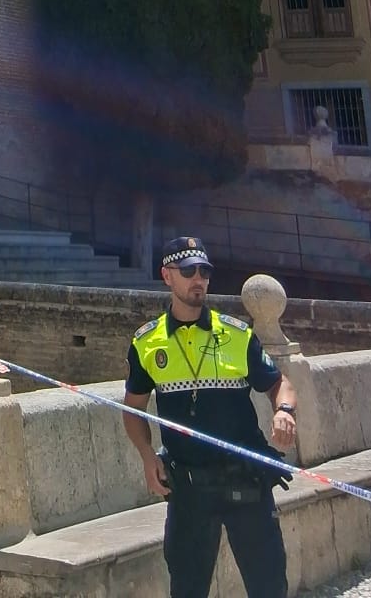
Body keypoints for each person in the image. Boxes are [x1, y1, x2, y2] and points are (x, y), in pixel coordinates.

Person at [123, 234, 298, 598]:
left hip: (247, 482)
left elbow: (280, 384)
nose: (198, 278)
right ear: (167, 276)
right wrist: (146, 455)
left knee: (269, 587)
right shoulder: (146, 342)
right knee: (187, 589)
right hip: (188, 488)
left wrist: (284, 411)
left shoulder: (237, 334)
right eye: (188, 271)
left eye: (204, 271)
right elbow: (132, 408)